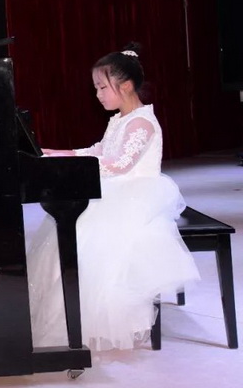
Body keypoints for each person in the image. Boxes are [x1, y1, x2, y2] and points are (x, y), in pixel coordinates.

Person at [27, 42, 200, 351]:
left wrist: (75, 164)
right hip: (118, 190)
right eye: (96, 88)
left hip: (136, 196)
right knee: (68, 224)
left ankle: (92, 318)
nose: (97, 94)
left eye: (102, 87)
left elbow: (120, 164)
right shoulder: (120, 119)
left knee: (86, 235)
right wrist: (63, 153)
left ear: (127, 86)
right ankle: (68, 309)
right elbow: (100, 150)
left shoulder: (142, 122)